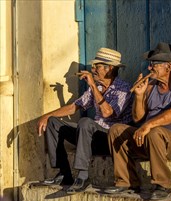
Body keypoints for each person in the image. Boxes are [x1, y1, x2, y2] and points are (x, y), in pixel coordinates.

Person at [37, 48, 133, 193]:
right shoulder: (98, 87)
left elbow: (108, 113)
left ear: (110, 69)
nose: (93, 69)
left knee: (85, 122)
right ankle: (64, 173)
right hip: (90, 137)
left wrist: (93, 86)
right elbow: (74, 107)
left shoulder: (123, 89)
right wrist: (47, 116)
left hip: (110, 140)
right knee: (53, 122)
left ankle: (83, 176)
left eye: (97, 66)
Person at [105, 42, 171, 200]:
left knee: (154, 132)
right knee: (116, 130)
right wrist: (139, 96)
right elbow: (138, 118)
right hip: (148, 140)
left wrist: (148, 125)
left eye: (154, 64)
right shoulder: (151, 87)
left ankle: (162, 184)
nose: (150, 68)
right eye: (150, 64)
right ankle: (126, 181)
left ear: (169, 67)